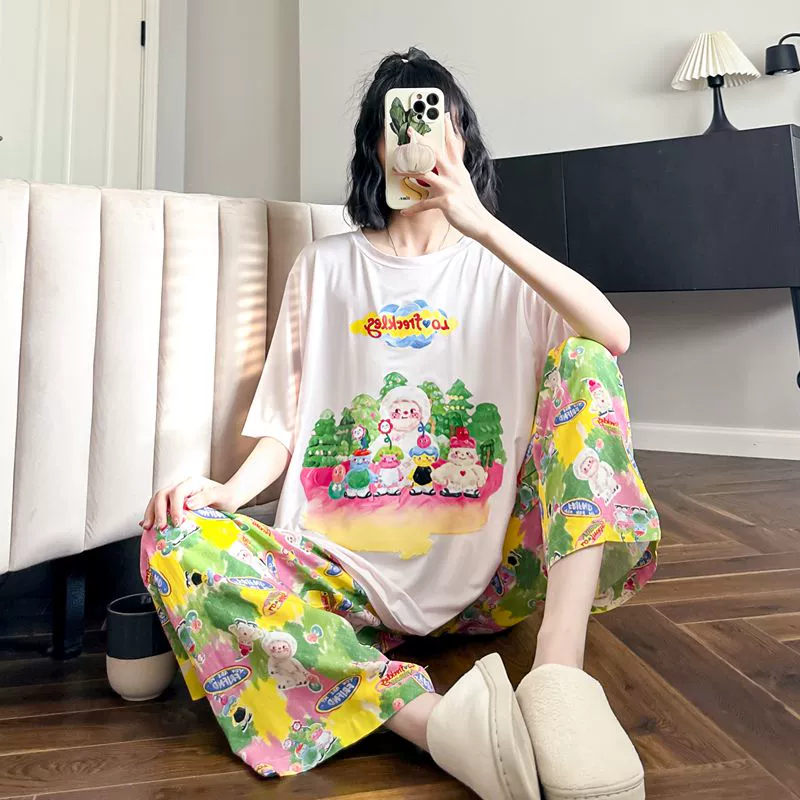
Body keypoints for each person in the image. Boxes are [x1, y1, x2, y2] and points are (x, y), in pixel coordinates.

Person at [139, 47, 660, 800]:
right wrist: (227, 492)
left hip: (491, 580)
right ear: (375, 146)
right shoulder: (324, 268)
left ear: (462, 142)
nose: (418, 141)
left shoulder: (500, 268)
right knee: (172, 538)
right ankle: (435, 722)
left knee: (586, 360)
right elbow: (284, 423)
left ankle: (558, 676)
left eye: (436, 121)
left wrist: (482, 226)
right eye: (400, 123)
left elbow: (614, 336)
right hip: (337, 585)